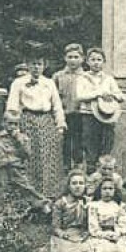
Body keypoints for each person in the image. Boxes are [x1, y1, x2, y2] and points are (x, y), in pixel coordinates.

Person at [6, 52, 66, 198]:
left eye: (39, 64)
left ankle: (50, 196)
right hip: (27, 121)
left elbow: (57, 106)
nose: (36, 67)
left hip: (46, 122)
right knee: (29, 158)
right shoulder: (18, 83)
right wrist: (14, 129)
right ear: (27, 65)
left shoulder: (49, 83)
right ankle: (30, 197)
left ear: (44, 66)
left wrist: (60, 126)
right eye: (33, 64)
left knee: (48, 158)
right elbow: (12, 107)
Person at [76, 47, 125, 172]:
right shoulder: (82, 78)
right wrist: (98, 93)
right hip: (89, 115)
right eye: (93, 59)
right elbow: (80, 96)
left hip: (107, 117)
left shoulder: (108, 79)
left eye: (99, 59)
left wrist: (112, 95)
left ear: (104, 62)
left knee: (106, 145)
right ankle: (91, 172)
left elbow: (121, 96)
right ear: (87, 61)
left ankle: (105, 173)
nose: (96, 62)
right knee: (90, 146)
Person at [0, 111, 43, 208]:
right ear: (4, 123)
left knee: (27, 188)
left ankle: (44, 206)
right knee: (0, 189)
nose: (13, 126)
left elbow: (28, 154)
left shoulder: (23, 138)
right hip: (1, 168)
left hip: (16, 168)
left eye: (15, 124)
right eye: (10, 123)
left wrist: (19, 140)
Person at [47, 169, 94, 252]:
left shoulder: (88, 202)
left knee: (89, 247)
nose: (78, 187)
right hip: (65, 233)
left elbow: (92, 221)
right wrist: (62, 234)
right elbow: (55, 226)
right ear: (68, 186)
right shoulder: (61, 203)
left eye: (81, 183)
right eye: (74, 183)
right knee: (64, 251)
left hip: (83, 233)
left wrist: (88, 232)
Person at [87, 175, 126, 252]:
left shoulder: (119, 206)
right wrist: (104, 234)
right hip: (100, 234)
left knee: (121, 244)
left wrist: (118, 233)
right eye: (104, 189)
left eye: (110, 189)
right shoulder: (94, 206)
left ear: (115, 191)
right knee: (101, 245)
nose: (107, 192)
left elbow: (122, 223)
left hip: (115, 233)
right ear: (99, 190)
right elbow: (93, 226)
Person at [53, 43, 86, 172]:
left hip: (81, 115)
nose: (73, 60)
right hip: (64, 115)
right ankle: (64, 169)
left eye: (76, 57)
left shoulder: (86, 76)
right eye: (70, 57)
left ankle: (79, 170)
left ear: (82, 59)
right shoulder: (58, 76)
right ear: (65, 58)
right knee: (65, 144)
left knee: (79, 143)